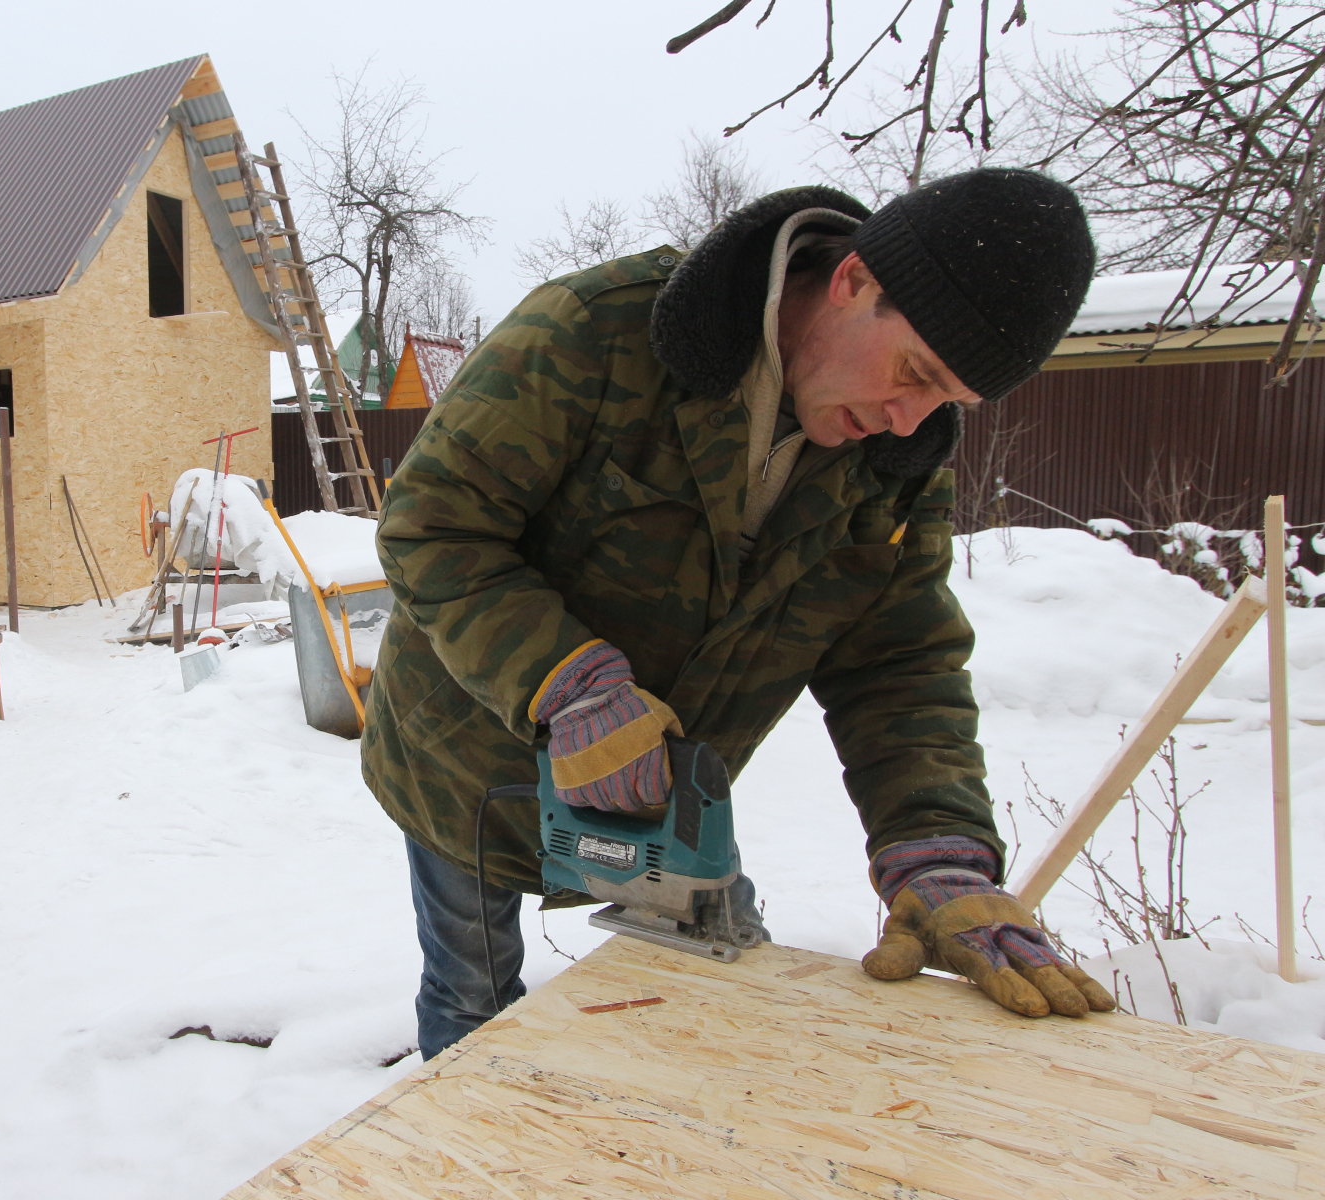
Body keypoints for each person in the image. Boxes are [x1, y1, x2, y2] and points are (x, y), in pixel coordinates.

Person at [363, 169, 1118, 1061]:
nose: (908, 416)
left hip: (663, 790)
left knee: (722, 1007)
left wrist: (937, 847)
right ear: (853, 281)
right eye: (914, 372)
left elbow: (898, 664)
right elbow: (434, 522)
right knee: (471, 993)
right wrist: (566, 685)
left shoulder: (898, 461)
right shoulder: (601, 333)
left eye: (947, 399)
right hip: (465, 765)